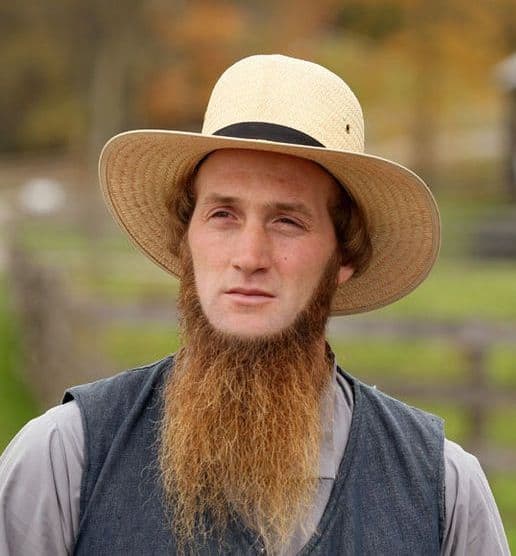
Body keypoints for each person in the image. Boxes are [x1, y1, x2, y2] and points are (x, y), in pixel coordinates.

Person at [0, 54, 510, 555]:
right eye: (223, 214)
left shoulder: (441, 492)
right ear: (186, 242)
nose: (249, 257)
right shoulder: (65, 460)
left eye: (287, 221)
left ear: (344, 256)